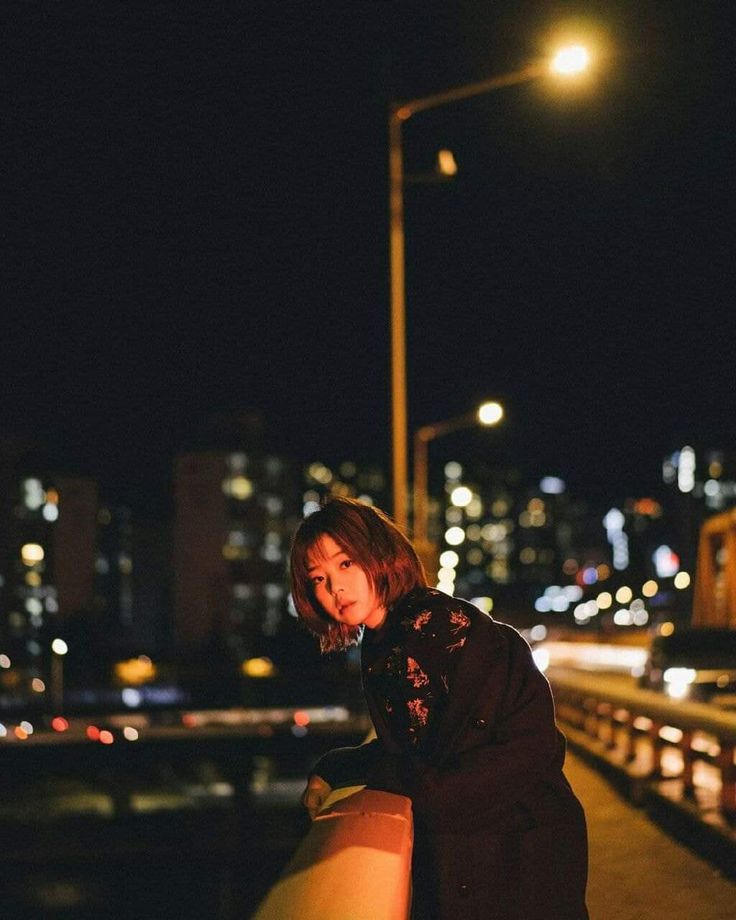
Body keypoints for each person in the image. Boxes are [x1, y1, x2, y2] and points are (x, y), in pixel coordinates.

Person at [289, 496, 588, 920]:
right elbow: (425, 744)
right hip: (505, 841)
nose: (334, 588)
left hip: (518, 849)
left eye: (345, 564)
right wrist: (340, 766)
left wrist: (372, 773)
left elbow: (471, 763)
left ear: (379, 554)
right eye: (317, 579)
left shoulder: (430, 631)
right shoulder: (392, 635)